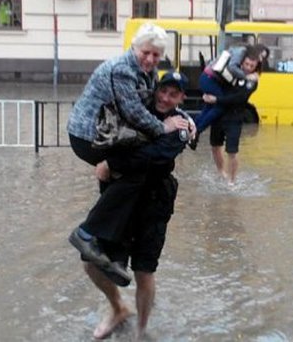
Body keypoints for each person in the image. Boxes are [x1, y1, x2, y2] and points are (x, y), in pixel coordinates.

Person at [66, 23, 192, 285]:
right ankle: (88, 234)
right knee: (131, 172)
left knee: (125, 175)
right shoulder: (122, 70)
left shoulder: (148, 72)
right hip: (89, 135)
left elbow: (158, 106)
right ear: (134, 48)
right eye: (146, 52)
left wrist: (187, 121)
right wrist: (165, 127)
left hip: (112, 134)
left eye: (156, 55)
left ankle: (113, 253)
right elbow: (134, 112)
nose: (150, 59)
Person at [78, 71, 191, 340]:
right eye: (162, 90)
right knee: (90, 260)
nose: (165, 98)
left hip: (154, 201)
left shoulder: (182, 125)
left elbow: (155, 155)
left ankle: (141, 329)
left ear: (182, 98)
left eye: (173, 94)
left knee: (144, 269)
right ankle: (118, 307)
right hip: (120, 198)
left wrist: (113, 164)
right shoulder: (135, 110)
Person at [192, 44, 268, 145]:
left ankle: (193, 129)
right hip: (210, 78)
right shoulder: (241, 52)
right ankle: (197, 131)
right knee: (219, 107)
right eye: (260, 56)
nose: (260, 59)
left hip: (208, 77)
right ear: (254, 52)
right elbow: (232, 67)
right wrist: (246, 76)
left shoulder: (241, 53)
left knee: (210, 107)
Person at [204, 75, 258, 185]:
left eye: (251, 65)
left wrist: (216, 99)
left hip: (234, 117)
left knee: (232, 151)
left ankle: (232, 181)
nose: (248, 67)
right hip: (219, 114)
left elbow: (240, 97)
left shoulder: (251, 81)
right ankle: (221, 173)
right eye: (246, 64)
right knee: (215, 146)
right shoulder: (228, 71)